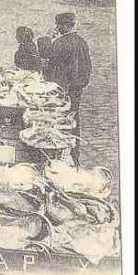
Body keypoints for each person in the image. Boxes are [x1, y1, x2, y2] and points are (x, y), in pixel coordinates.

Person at [39, 12, 92, 163]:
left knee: (60, 120)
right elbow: (87, 67)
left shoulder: (61, 43)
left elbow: (46, 55)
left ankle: (61, 155)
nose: (57, 27)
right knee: (74, 120)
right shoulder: (82, 42)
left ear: (63, 26)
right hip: (76, 90)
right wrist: (80, 84)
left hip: (62, 90)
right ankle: (75, 153)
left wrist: (47, 38)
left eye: (58, 25)